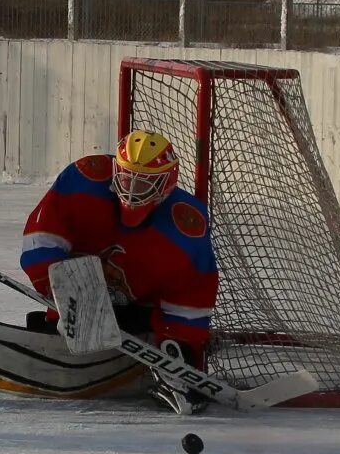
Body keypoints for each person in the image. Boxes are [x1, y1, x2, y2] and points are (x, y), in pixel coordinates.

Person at [18, 126, 219, 367]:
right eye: (126, 178)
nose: (132, 191)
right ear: (116, 169)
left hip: (140, 318)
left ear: (167, 182)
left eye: (144, 183)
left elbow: (192, 295)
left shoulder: (185, 224)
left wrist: (182, 348)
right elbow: (40, 240)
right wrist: (63, 295)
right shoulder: (82, 181)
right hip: (73, 311)